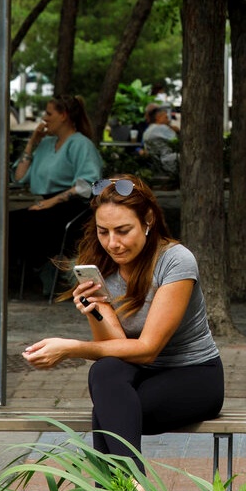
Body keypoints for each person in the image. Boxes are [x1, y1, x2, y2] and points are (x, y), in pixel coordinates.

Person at [21, 175, 224, 473]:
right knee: (106, 373)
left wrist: (70, 349)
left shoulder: (176, 261)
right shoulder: (100, 264)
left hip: (194, 377)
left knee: (110, 412)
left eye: (123, 230)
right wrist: (97, 309)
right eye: (103, 232)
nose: (112, 243)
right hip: (139, 376)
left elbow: (148, 349)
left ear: (148, 220)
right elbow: (112, 348)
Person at [10, 95, 103, 284]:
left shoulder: (81, 144)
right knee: (9, 222)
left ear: (64, 116)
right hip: (46, 204)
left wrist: (51, 202)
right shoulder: (45, 144)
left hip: (74, 207)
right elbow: (19, 177)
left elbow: (87, 186)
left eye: (48, 113)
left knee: (26, 223)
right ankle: (41, 268)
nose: (44, 118)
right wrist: (31, 143)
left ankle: (47, 269)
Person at [142, 106, 179, 175]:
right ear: (158, 118)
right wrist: (178, 131)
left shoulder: (148, 130)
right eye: (166, 117)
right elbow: (178, 142)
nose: (168, 120)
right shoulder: (162, 128)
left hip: (157, 164)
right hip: (168, 161)